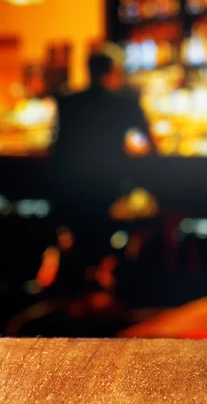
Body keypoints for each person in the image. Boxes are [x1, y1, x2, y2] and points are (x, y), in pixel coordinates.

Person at [50, 45, 155, 289]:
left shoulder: (67, 102)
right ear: (114, 72)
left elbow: (58, 144)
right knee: (147, 206)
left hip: (69, 189)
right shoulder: (126, 103)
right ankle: (118, 272)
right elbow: (148, 143)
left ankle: (85, 273)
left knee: (87, 223)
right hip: (111, 189)